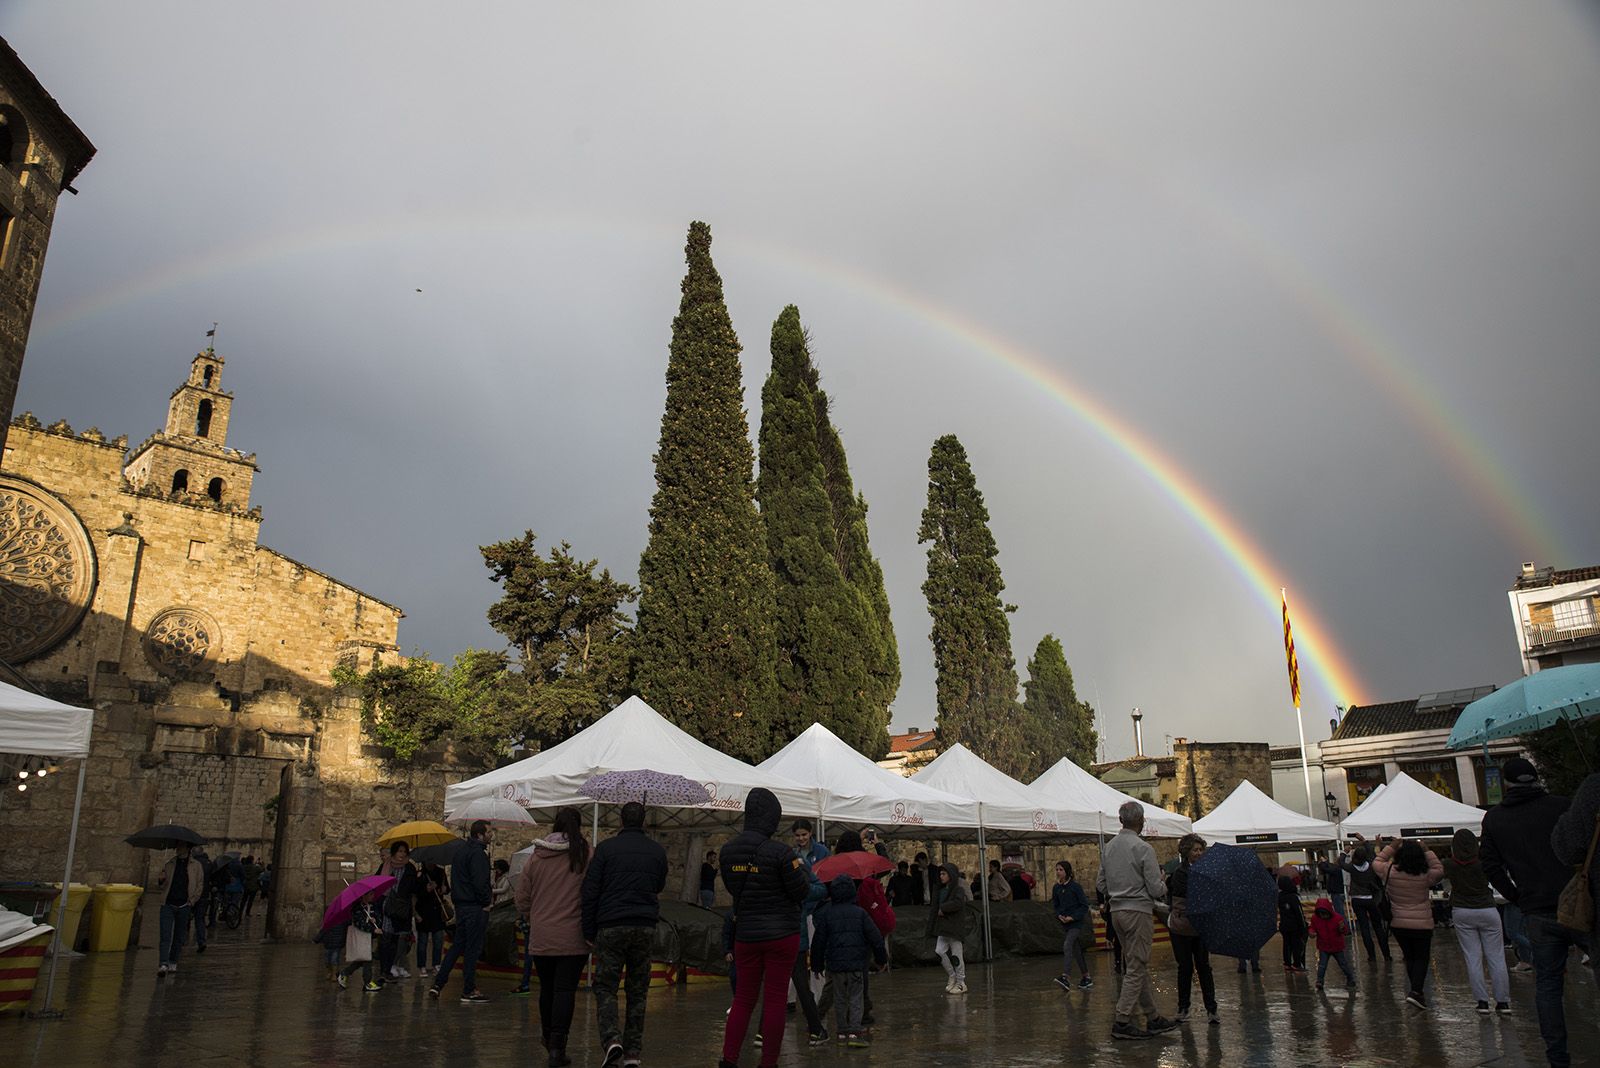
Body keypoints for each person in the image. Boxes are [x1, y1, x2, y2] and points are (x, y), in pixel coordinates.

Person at [718, 788, 810, 1068]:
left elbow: (735, 889)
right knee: (775, 998)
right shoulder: (782, 853)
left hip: (746, 934)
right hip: (782, 934)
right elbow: (801, 892)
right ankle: (768, 1062)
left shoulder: (727, 852)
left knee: (743, 998)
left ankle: (729, 1059)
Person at [584, 802, 668, 1068]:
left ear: (621, 821)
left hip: (611, 925)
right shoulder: (656, 851)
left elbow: (590, 890)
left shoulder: (606, 849)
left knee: (606, 986)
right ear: (643, 822)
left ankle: (611, 1040)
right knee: (637, 990)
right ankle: (633, 1052)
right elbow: (659, 884)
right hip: (644, 925)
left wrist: (588, 930)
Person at [515, 808, 592, 1068]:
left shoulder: (536, 858)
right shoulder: (585, 854)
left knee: (547, 989)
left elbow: (522, 898)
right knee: (565, 990)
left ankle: (548, 1037)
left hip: (542, 935)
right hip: (573, 936)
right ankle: (558, 1047)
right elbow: (593, 892)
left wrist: (534, 914)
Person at [1096, 800, 1178, 1041]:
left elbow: (1100, 884)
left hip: (1117, 912)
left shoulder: (1109, 848)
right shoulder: (1143, 849)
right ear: (1141, 822)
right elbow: (1155, 889)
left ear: (1121, 820)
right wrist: (1163, 880)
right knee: (1136, 966)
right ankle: (1122, 1019)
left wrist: (1117, 890)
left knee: (1134, 964)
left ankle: (1153, 1017)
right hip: (1138, 911)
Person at [811, 874, 888, 1047]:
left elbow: (818, 941)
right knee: (855, 997)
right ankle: (854, 1031)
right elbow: (875, 937)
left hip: (836, 965)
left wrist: (816, 965)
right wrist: (881, 959)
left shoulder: (827, 914)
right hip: (856, 964)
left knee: (839, 998)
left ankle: (842, 1031)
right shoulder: (860, 913)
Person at [1371, 836, 1445, 1009]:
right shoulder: (1425, 874)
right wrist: (1427, 850)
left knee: (1410, 957)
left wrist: (1391, 846)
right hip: (1422, 921)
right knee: (1421, 957)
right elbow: (1439, 869)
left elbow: (1377, 861)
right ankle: (1416, 991)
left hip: (1398, 921)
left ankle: (1416, 991)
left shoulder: (1390, 871)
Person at [1442, 827, 1509, 1015]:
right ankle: (1503, 1001)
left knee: (1472, 957)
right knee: (1496, 956)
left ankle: (1482, 1002)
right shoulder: (1484, 863)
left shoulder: (1450, 864)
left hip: (1462, 910)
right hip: (1487, 908)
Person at [430, 819, 494, 1004]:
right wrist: (485, 902)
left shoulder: (460, 853)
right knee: (472, 949)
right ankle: (468, 989)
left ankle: (438, 983)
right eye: (489, 832)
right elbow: (479, 882)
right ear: (479, 835)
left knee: (457, 946)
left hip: (462, 906)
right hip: (475, 907)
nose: (491, 835)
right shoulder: (478, 855)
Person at [1165, 835, 1216, 1023]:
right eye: (1195, 850)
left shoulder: (1207, 872)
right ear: (1187, 852)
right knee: (1185, 967)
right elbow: (1184, 894)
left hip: (1200, 927)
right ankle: (1183, 1007)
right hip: (1182, 928)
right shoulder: (1180, 873)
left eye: (1201, 850)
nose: (1199, 853)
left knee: (1204, 966)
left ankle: (1211, 1008)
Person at [155, 842, 204, 976]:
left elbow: (200, 885)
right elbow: (162, 886)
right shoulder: (169, 864)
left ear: (188, 848)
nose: (177, 848)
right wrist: (160, 880)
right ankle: (163, 963)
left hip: (184, 905)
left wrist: (192, 901)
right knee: (165, 935)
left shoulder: (196, 866)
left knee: (179, 936)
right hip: (168, 904)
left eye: (180, 846)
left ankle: (173, 961)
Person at [1340, 843, 1391, 963]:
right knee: (1378, 927)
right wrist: (1364, 841)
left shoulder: (1352, 867)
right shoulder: (1371, 865)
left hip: (1357, 899)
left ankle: (1371, 955)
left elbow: (1341, 863)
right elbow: (1372, 853)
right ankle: (1386, 954)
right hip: (1371, 899)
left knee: (1364, 928)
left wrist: (1344, 852)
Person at [376, 841, 417, 982]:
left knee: (395, 939)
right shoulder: (385, 866)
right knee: (386, 938)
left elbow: (413, 888)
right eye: (399, 851)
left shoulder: (410, 868)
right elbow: (377, 883)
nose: (402, 855)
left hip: (401, 908)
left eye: (404, 852)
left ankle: (389, 969)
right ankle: (384, 970)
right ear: (394, 852)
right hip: (387, 905)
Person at [928, 862, 971, 994]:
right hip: (943, 928)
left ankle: (961, 982)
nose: (941, 876)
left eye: (944, 873)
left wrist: (944, 909)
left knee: (956, 955)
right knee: (939, 951)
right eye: (940, 874)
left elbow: (958, 903)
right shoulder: (940, 890)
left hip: (954, 928)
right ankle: (952, 976)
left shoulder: (958, 890)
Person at [1052, 860, 1093, 991]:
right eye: (1057, 870)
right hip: (1065, 923)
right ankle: (1086, 977)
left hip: (1076, 923)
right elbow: (1056, 905)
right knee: (1076, 949)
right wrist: (1059, 915)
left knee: (1068, 944)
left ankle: (1066, 976)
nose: (1058, 872)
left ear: (1067, 872)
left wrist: (1073, 917)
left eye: (1061, 870)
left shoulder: (1075, 887)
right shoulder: (1056, 888)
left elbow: (1084, 906)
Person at [337, 890, 382, 992]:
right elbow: (359, 923)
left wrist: (375, 921)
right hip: (360, 936)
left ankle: (345, 973)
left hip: (368, 937)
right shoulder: (357, 908)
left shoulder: (372, 906)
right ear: (364, 895)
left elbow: (378, 917)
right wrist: (372, 929)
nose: (372, 896)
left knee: (363, 958)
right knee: (367, 958)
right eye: (370, 894)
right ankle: (367, 982)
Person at [1309, 896, 1356, 992]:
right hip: (1324, 946)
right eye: (1321, 914)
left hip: (1336, 946)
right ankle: (1320, 981)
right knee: (1322, 965)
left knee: (1343, 964)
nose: (1323, 916)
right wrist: (1312, 932)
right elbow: (1312, 927)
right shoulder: (1315, 919)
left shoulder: (1337, 918)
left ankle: (1350, 979)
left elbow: (1344, 931)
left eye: (1324, 914)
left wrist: (1342, 928)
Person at [414, 862, 450, 976]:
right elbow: (416, 893)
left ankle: (436, 964)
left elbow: (446, 889)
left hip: (437, 912)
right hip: (423, 912)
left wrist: (444, 889)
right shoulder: (420, 875)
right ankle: (422, 965)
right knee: (423, 941)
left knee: (438, 939)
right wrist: (427, 889)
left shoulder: (441, 873)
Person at [1278, 874, 1308, 972]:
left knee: (1286, 945)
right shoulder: (1293, 897)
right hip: (1294, 926)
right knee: (1296, 945)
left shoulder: (1280, 897)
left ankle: (1287, 963)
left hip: (1284, 925)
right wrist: (1303, 926)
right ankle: (1297, 963)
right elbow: (1298, 912)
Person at [190, 847, 213, 954]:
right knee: (200, 919)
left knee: (184, 919)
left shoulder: (192, 863)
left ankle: (179, 941)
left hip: (191, 894)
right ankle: (201, 941)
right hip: (204, 895)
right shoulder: (209, 864)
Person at [1318, 853, 1347, 921]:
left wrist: (1323, 862)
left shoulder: (1337, 869)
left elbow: (1326, 869)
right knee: (1340, 911)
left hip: (1337, 893)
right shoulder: (1341, 869)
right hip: (1340, 892)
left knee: (1339, 912)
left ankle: (1345, 928)